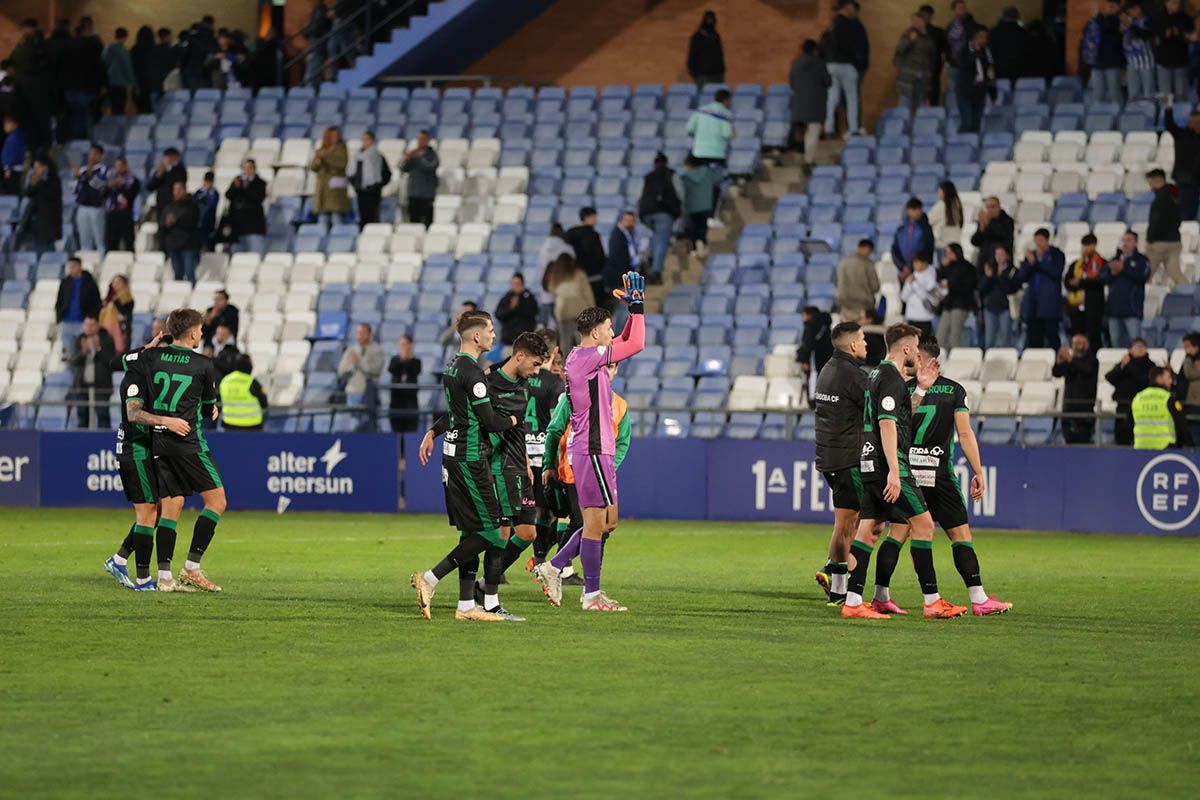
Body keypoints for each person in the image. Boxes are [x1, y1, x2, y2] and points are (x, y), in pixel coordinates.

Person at [532, 276, 647, 612]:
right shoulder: (585, 357)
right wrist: (638, 308)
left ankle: (554, 568)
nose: (613, 333)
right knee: (596, 523)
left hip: (600, 451)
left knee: (607, 522)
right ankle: (589, 594)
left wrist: (629, 311)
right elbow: (636, 343)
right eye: (609, 328)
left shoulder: (586, 356)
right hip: (591, 449)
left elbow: (627, 339)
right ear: (595, 333)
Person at [875, 335, 1012, 616]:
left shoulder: (904, 389)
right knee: (961, 536)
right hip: (940, 475)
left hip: (910, 474)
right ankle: (978, 598)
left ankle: (880, 595)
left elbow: (894, 423)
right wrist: (978, 471)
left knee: (897, 534)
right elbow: (964, 433)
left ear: (923, 359)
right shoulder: (954, 390)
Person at [841, 323, 967, 620]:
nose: (918, 357)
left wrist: (921, 389)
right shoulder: (893, 378)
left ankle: (853, 601)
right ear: (908, 348)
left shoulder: (875, 374)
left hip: (869, 460)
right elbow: (887, 424)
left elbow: (897, 415)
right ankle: (933, 601)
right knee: (923, 526)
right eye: (916, 350)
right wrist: (896, 472)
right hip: (888, 464)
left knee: (869, 531)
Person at [410, 311, 521, 622]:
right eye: (490, 330)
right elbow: (488, 421)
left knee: (472, 529)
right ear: (476, 336)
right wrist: (514, 420)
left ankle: (465, 607)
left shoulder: (453, 368)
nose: (494, 336)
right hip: (470, 458)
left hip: (455, 454)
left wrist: (432, 431)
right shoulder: (472, 373)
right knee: (495, 532)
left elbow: (457, 414)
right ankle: (430, 579)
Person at [438, 331, 553, 618]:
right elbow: (463, 412)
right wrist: (433, 430)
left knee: (527, 532)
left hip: (519, 466)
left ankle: (480, 588)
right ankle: (489, 599)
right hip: (498, 467)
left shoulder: (525, 385)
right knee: (498, 534)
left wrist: (526, 459)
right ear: (520, 356)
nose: (537, 372)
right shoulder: (488, 381)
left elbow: (520, 429)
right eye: (536, 364)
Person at [137, 308, 227, 593]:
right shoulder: (203, 364)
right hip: (189, 444)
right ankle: (191, 567)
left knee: (171, 507)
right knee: (217, 502)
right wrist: (211, 407)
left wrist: (152, 344)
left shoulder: (152, 357)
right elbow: (204, 408)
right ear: (191, 332)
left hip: (159, 442)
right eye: (200, 329)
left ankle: (164, 578)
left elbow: (129, 363)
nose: (202, 334)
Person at [102, 330, 190, 591]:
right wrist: (167, 422)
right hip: (135, 450)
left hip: (148, 449)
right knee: (147, 513)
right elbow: (134, 414)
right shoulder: (137, 376)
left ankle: (119, 560)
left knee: (157, 509)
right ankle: (142, 580)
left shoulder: (155, 375)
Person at [540, 359, 629, 586]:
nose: (606, 372)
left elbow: (622, 442)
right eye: (603, 367)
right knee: (585, 522)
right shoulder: (575, 397)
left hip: (603, 471)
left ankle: (563, 570)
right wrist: (549, 464)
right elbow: (553, 431)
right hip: (573, 470)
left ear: (616, 371)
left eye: (611, 367)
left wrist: (610, 467)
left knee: (607, 526)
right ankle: (561, 570)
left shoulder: (620, 405)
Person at [811, 321, 873, 606]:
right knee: (849, 524)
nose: (865, 343)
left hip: (830, 456)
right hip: (849, 458)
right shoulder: (853, 376)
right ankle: (838, 586)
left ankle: (836, 579)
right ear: (851, 345)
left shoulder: (827, 370)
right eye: (861, 339)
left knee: (849, 522)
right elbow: (880, 409)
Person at [524, 329, 566, 568]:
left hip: (520, 456)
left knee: (522, 514)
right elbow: (555, 424)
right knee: (563, 512)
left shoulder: (520, 377)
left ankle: (497, 568)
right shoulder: (553, 383)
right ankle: (560, 567)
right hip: (544, 458)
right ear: (556, 350)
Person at [823, 0, 869, 137]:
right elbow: (849, 46)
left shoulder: (831, 27)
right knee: (852, 97)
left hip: (830, 64)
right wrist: (857, 61)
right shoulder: (848, 24)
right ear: (847, 7)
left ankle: (829, 128)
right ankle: (853, 128)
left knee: (832, 98)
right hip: (845, 65)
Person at [1018, 228, 1066, 350]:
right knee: (1033, 340)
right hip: (1033, 305)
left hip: (1049, 304)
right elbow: (1022, 277)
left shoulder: (1056, 254)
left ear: (1047, 240)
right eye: (1036, 241)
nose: (1038, 244)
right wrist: (1029, 263)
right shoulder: (1031, 256)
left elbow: (1056, 273)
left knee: (1052, 338)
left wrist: (1038, 262)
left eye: (1040, 240)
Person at [637, 152, 681, 284]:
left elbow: (641, 196)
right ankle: (656, 272)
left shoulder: (648, 177)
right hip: (664, 212)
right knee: (661, 240)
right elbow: (680, 193)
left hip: (646, 213)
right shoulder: (671, 175)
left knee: (655, 237)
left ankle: (649, 258)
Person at [1102, 231, 1151, 348]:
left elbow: (1142, 277)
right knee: (1116, 346)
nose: (1125, 243)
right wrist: (1112, 272)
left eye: (1129, 240)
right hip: (1114, 311)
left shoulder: (1142, 260)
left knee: (1135, 345)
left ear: (1135, 243)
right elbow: (1102, 278)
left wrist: (1124, 269)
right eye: (1124, 240)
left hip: (1132, 310)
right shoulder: (1113, 260)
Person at [69, 316, 117, 428]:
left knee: (103, 416)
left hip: (101, 386)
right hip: (82, 387)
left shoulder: (107, 339)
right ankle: (82, 443)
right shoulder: (79, 339)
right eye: (87, 325)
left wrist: (99, 348)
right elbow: (74, 361)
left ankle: (104, 443)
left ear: (98, 325)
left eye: (92, 325)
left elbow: (111, 362)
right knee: (82, 417)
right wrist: (83, 351)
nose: (89, 328)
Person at [789, 40, 829, 171]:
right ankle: (808, 161)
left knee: (802, 132)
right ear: (815, 50)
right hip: (815, 105)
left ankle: (803, 156)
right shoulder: (820, 64)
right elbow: (828, 81)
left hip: (799, 104)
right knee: (812, 133)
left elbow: (792, 82)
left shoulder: (796, 63)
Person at [1106, 338, 1155, 445]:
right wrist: (1121, 366)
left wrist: (1128, 366)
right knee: (1121, 436)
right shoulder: (1124, 363)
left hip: (1142, 405)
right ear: (1130, 349)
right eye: (1137, 346)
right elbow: (1110, 377)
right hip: (1123, 403)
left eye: (1142, 346)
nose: (1140, 349)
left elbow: (1144, 380)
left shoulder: (1150, 365)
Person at [1053, 332, 1100, 444]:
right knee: (1069, 439)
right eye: (1074, 343)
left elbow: (1086, 370)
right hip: (1069, 406)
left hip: (1085, 407)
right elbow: (1056, 373)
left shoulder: (1092, 360)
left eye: (1080, 343)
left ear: (1086, 345)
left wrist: (1070, 360)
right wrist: (1058, 361)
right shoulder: (1070, 360)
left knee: (1084, 441)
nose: (1076, 346)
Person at [543, 254, 594, 355]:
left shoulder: (556, 275)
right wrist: (593, 309)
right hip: (580, 311)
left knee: (565, 343)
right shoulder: (580, 274)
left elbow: (551, 289)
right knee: (582, 341)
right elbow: (588, 293)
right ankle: (584, 366)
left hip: (563, 312)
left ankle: (566, 367)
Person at [1132, 366, 1193, 448]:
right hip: (1165, 448)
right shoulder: (1169, 399)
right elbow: (1181, 425)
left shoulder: (1137, 398)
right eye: (1168, 378)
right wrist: (1179, 445)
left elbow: (1128, 425)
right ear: (1159, 378)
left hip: (1140, 448)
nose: (1171, 381)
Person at [1145, 169, 1187, 286]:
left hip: (1159, 243)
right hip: (1175, 242)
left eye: (1150, 182)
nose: (1149, 185)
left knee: (1146, 274)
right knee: (1175, 273)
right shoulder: (1175, 196)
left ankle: (1135, 300)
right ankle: (1189, 294)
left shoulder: (1160, 199)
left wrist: (1150, 240)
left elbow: (1156, 221)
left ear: (1155, 180)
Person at [1163, 99, 1200, 221]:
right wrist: (1168, 107)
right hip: (1185, 180)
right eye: (1193, 121)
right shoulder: (1181, 134)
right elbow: (1169, 124)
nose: (1196, 124)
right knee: (1186, 212)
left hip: (1196, 178)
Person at [605, 212, 642, 332]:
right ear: (621, 220)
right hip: (621, 279)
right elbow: (617, 259)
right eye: (627, 220)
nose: (630, 223)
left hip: (625, 278)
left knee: (624, 309)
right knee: (622, 309)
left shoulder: (627, 234)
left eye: (632, 220)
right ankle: (617, 336)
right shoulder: (617, 236)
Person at [55, 257, 102, 349]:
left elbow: (97, 302)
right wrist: (59, 317)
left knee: (87, 351)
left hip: (84, 323)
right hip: (66, 323)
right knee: (68, 354)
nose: (71, 269)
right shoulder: (65, 283)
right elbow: (59, 301)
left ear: (79, 266)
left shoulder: (89, 283)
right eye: (70, 267)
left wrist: (91, 317)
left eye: (73, 266)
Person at [937, 243, 977, 350]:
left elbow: (968, 286)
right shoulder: (948, 267)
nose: (947, 255)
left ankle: (955, 361)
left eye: (949, 252)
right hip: (948, 304)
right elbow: (938, 279)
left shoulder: (967, 267)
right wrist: (942, 267)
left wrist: (950, 284)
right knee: (941, 336)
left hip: (961, 304)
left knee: (954, 337)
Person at [956, 26, 996, 134]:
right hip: (965, 91)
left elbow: (990, 72)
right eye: (981, 37)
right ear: (974, 38)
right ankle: (961, 143)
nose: (984, 40)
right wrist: (975, 53)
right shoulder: (963, 50)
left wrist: (993, 94)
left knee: (976, 124)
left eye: (985, 37)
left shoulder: (987, 52)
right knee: (967, 122)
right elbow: (962, 65)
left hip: (980, 90)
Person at [978, 244, 1018, 349]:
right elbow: (981, 288)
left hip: (1005, 308)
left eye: (1002, 254)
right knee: (989, 340)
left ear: (1007, 256)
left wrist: (1001, 276)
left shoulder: (1012, 270)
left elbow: (1011, 288)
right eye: (997, 254)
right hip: (990, 308)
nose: (999, 257)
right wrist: (988, 277)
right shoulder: (990, 269)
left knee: (1005, 339)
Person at [565, 207, 607, 304]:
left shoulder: (571, 233)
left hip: (578, 274)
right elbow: (599, 256)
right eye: (594, 216)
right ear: (587, 217)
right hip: (594, 276)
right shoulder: (593, 235)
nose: (596, 219)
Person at [894, 13, 935, 113]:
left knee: (921, 103)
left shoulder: (928, 37)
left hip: (923, 75)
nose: (915, 23)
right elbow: (899, 49)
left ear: (923, 22)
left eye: (918, 21)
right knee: (904, 102)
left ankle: (920, 127)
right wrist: (910, 40)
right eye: (913, 21)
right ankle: (901, 126)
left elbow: (932, 54)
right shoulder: (907, 33)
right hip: (907, 76)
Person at [224, 159, 267, 254]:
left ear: (254, 169)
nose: (247, 170)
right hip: (237, 228)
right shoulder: (237, 181)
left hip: (253, 228)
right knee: (236, 257)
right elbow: (228, 195)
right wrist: (235, 187)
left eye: (250, 168)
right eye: (245, 168)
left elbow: (258, 198)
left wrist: (246, 188)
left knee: (255, 256)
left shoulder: (260, 183)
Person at [22, 154, 62, 253]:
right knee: (36, 248)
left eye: (38, 167)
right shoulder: (36, 180)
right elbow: (28, 193)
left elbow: (49, 194)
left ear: (45, 167)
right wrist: (32, 183)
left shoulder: (54, 180)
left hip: (49, 221)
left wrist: (38, 182)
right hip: (37, 220)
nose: (35, 170)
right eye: (34, 168)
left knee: (47, 249)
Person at [161, 181, 200, 284]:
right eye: (175, 189)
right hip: (173, 246)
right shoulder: (168, 207)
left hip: (188, 245)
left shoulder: (192, 205)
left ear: (185, 190)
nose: (177, 192)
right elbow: (162, 225)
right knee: (177, 275)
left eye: (180, 189)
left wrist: (176, 220)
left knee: (189, 274)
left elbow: (193, 222)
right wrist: (166, 223)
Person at [681, 155, 721, 256]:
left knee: (693, 226)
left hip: (692, 206)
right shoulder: (707, 172)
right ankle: (702, 243)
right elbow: (719, 178)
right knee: (702, 226)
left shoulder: (686, 176)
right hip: (705, 205)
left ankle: (694, 247)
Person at [338, 323, 385, 407]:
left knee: (368, 419)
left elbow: (376, 370)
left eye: (363, 333)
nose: (360, 335)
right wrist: (351, 365)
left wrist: (359, 361)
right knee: (353, 419)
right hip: (352, 391)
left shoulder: (377, 350)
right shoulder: (351, 350)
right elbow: (341, 370)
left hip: (369, 392)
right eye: (359, 333)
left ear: (370, 334)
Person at [310, 127, 349, 225]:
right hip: (322, 189)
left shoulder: (341, 148)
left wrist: (326, 156)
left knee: (336, 218)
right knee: (322, 218)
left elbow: (342, 163)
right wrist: (318, 159)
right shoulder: (323, 148)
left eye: (336, 136)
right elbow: (313, 167)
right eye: (332, 136)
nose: (334, 138)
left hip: (335, 190)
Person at [74, 144, 108, 257]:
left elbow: (98, 185)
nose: (92, 157)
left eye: (95, 154)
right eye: (90, 154)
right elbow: (76, 188)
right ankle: (85, 262)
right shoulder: (83, 169)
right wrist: (79, 177)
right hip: (83, 207)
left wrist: (87, 174)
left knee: (99, 240)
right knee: (84, 240)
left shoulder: (104, 169)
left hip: (96, 208)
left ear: (101, 156)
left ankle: (102, 261)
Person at [219, 354, 268, 431]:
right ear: (248, 365)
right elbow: (264, 403)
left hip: (229, 426)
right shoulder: (252, 382)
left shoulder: (225, 381)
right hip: (252, 426)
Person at [351, 130, 389, 229]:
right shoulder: (357, 156)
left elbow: (386, 174)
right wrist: (356, 185)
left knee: (372, 216)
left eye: (367, 139)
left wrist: (377, 186)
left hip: (373, 191)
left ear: (372, 140)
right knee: (363, 216)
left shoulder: (378, 156)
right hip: (361, 191)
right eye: (363, 139)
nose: (365, 142)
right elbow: (352, 173)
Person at [1155, 0, 1193, 99]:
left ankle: (1181, 113)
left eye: (1178, 3)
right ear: (1166, 3)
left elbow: (1190, 38)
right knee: (1166, 95)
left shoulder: (1185, 18)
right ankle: (1167, 113)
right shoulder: (1158, 18)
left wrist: (1179, 34)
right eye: (1174, 3)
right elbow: (1155, 39)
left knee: (1180, 94)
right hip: (1164, 61)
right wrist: (1164, 35)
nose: (1177, 5)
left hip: (1180, 61)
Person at [685, 88, 733, 166]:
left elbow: (689, 129)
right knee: (716, 177)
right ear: (726, 100)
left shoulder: (700, 110)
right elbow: (726, 134)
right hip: (717, 154)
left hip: (699, 153)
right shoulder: (726, 113)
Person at [1089, 0, 1125, 103]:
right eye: (1108, 6)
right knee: (1097, 95)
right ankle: (1097, 117)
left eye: (1113, 6)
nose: (1110, 8)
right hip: (1097, 62)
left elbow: (1116, 38)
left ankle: (1118, 116)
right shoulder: (1096, 19)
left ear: (1118, 7)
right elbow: (1088, 32)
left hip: (1113, 63)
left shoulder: (1120, 19)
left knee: (1115, 94)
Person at [400, 129, 438, 227]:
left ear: (428, 140)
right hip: (413, 193)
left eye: (423, 139)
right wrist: (407, 158)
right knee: (413, 221)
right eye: (419, 139)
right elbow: (403, 168)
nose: (420, 141)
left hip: (427, 194)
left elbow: (431, 166)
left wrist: (420, 157)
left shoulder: (432, 154)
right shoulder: (413, 153)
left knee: (427, 222)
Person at [945, 1, 978, 113]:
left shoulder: (971, 24)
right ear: (954, 10)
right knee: (952, 90)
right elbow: (946, 44)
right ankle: (952, 113)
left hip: (967, 64)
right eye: (959, 8)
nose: (962, 10)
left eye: (964, 8)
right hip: (954, 64)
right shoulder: (950, 26)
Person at [836, 239, 880, 319]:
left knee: (847, 330)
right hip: (864, 306)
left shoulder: (842, 263)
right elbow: (875, 286)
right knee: (862, 330)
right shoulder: (868, 264)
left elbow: (838, 283)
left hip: (845, 306)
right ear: (867, 248)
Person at [891, 198, 934, 278]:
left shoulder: (925, 229)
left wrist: (913, 266)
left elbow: (927, 248)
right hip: (904, 271)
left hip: (920, 271)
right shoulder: (901, 230)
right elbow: (895, 249)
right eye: (915, 209)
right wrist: (902, 266)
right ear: (909, 210)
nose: (918, 212)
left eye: (919, 209)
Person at [969, 195, 1014, 272]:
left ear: (999, 207)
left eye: (993, 206)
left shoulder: (1007, 220)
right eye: (988, 207)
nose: (990, 210)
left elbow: (1005, 238)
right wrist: (981, 229)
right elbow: (974, 241)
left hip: (1000, 264)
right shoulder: (984, 221)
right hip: (983, 262)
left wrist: (989, 223)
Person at [103, 156, 139, 252]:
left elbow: (131, 195)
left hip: (125, 215)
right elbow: (102, 195)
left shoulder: (133, 180)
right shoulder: (110, 179)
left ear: (125, 166)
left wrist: (120, 186)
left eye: (120, 166)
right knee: (110, 242)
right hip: (111, 215)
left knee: (128, 242)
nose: (118, 168)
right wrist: (108, 187)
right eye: (116, 166)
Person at [386, 335, 421, 434]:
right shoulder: (394, 360)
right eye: (401, 344)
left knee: (410, 432)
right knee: (396, 432)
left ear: (410, 345)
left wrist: (407, 359)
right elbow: (393, 369)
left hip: (410, 403)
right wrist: (402, 359)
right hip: (396, 402)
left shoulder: (416, 362)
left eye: (405, 344)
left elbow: (414, 371)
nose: (403, 347)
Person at [494, 273, 540, 346]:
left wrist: (519, 306)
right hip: (508, 340)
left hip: (525, 339)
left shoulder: (529, 297)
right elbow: (498, 314)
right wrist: (511, 308)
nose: (515, 286)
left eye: (517, 283)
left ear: (522, 284)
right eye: (513, 283)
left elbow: (533, 312)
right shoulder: (507, 297)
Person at [145, 147, 187, 226]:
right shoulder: (161, 171)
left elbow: (180, 185)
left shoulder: (180, 170)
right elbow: (149, 187)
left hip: (174, 207)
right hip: (161, 206)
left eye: (169, 157)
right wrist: (158, 175)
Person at [1123, 1, 1156, 100]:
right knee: (1133, 94)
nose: (1131, 13)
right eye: (1129, 11)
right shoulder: (1128, 20)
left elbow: (1146, 35)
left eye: (1132, 10)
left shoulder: (1147, 20)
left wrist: (1130, 27)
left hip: (1146, 62)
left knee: (1148, 93)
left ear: (1138, 8)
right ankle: (1134, 113)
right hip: (1132, 62)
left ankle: (1150, 112)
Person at [988, 6, 1030, 83]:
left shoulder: (994, 32)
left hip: (999, 70)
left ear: (1003, 16)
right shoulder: (1023, 33)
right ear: (1017, 17)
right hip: (1020, 71)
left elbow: (990, 51)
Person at [901, 256, 940, 337]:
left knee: (923, 342)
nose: (915, 265)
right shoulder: (911, 277)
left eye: (917, 262)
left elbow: (926, 297)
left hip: (924, 317)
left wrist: (915, 284)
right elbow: (904, 297)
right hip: (911, 316)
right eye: (914, 262)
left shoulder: (930, 276)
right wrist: (909, 284)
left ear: (924, 263)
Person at [919, 5, 949, 107]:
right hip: (917, 72)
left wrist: (944, 69)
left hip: (934, 72)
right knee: (918, 101)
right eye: (922, 16)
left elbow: (945, 52)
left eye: (927, 16)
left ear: (931, 16)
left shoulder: (938, 32)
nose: (925, 18)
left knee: (933, 100)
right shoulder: (913, 32)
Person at [686, 10, 725, 87]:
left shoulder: (716, 36)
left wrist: (722, 71)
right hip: (702, 76)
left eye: (712, 19)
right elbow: (691, 56)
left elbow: (720, 55)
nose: (710, 22)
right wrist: (694, 74)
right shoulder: (697, 37)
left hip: (717, 76)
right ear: (704, 20)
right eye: (708, 19)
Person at [102, 28, 135, 115]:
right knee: (120, 107)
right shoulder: (124, 51)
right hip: (121, 83)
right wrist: (133, 82)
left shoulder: (108, 49)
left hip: (111, 82)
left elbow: (105, 63)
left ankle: (114, 124)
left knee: (113, 106)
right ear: (125, 37)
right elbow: (127, 68)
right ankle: (119, 125)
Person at [99, 274, 134, 353]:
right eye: (114, 282)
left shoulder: (128, 299)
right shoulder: (108, 300)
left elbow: (124, 311)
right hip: (107, 331)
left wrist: (116, 301)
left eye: (118, 282)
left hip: (122, 330)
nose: (115, 284)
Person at [797, 305, 834, 376]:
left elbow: (808, 344)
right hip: (829, 358)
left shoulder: (811, 326)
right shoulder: (825, 324)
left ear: (808, 315)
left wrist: (804, 360)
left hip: (816, 359)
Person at [1177, 332, 1200, 444]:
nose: (1186, 350)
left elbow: (1190, 373)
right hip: (1189, 400)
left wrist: (1187, 359)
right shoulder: (1191, 359)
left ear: (1196, 346)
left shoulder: (1192, 359)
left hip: (1196, 402)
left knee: (1195, 433)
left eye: (1187, 346)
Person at [928, 181, 964, 250]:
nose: (938, 194)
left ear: (945, 192)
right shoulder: (957, 204)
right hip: (956, 245)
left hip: (944, 245)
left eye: (939, 191)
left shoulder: (942, 205)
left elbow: (928, 220)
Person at [194, 170, 220, 251]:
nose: (208, 183)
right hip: (197, 224)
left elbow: (212, 205)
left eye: (210, 181)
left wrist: (207, 194)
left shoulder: (214, 193)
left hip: (208, 224)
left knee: (208, 245)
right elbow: (193, 203)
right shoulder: (198, 192)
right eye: (206, 181)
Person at [1, 115, 25, 194]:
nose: (5, 127)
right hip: (14, 168)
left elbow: (12, 154)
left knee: (13, 192)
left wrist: (9, 168)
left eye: (7, 124)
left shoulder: (14, 138)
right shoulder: (16, 135)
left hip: (13, 169)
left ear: (14, 124)